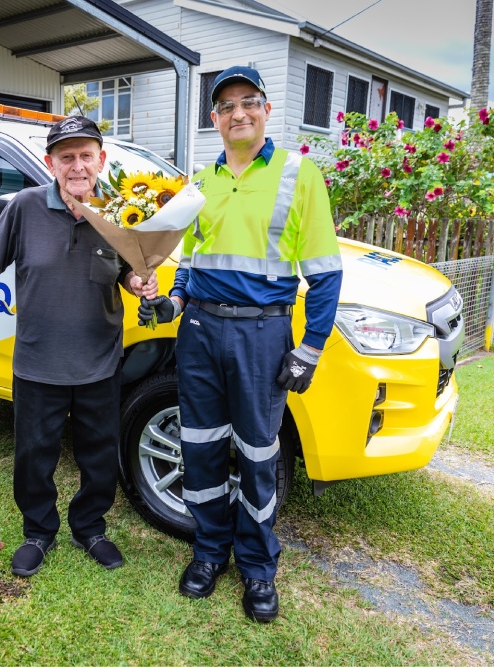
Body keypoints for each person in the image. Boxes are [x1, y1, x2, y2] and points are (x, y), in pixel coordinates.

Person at [139, 66, 343, 621]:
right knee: (200, 447)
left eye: (248, 102)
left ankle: (257, 567)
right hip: (201, 331)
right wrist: (172, 303)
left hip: (263, 332)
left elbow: (325, 274)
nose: (238, 113)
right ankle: (209, 553)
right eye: (226, 106)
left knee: (257, 453)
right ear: (214, 119)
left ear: (266, 109)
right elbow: (191, 266)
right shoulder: (199, 185)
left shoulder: (298, 174)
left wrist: (311, 348)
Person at [0, 115, 156, 577]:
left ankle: (90, 528)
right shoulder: (24, 207)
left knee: (99, 454)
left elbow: (128, 272)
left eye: (87, 156)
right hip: (37, 363)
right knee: (33, 456)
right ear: (51, 163)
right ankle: (38, 533)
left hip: (99, 363)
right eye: (67, 157)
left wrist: (140, 280)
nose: (78, 166)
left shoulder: (121, 212)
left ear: (101, 161)